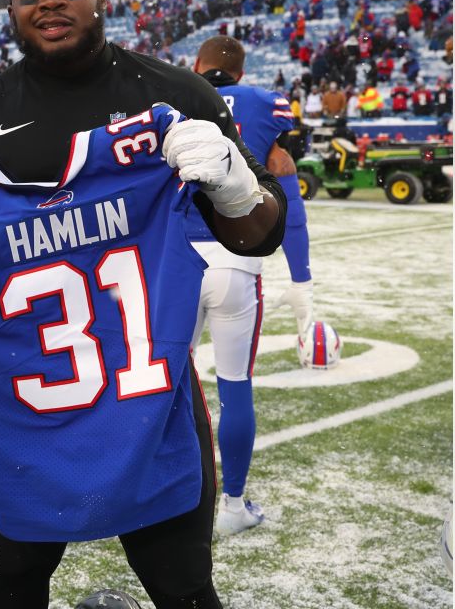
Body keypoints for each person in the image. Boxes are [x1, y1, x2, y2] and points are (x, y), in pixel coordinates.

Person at [0, 0, 285, 609]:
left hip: (148, 396)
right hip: (28, 407)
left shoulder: (172, 98)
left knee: (185, 588)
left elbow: (259, 235)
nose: (51, 2)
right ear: (10, 9)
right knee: (16, 582)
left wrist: (233, 184)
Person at [188, 36, 313, 536]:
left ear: (197, 66)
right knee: (235, 388)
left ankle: (168, 496)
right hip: (237, 260)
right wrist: (302, 277)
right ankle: (233, 506)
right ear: (240, 71)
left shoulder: (170, 98)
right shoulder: (266, 104)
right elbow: (288, 191)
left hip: (176, 260)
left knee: (168, 382)